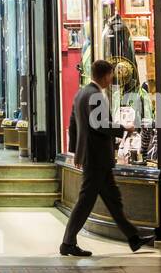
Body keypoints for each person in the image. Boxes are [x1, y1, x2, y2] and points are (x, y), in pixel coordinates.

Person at [61, 59, 155, 257]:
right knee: (86, 201)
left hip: (94, 157)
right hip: (96, 158)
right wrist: (124, 128)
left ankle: (133, 238)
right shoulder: (95, 95)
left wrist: (76, 151)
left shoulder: (81, 93)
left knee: (113, 200)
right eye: (111, 74)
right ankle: (67, 242)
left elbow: (73, 123)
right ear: (105, 76)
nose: (112, 78)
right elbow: (100, 125)